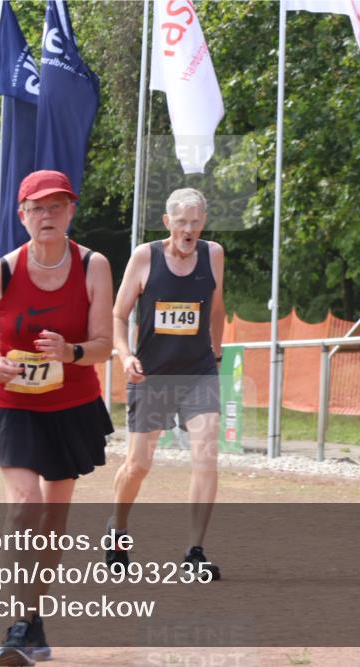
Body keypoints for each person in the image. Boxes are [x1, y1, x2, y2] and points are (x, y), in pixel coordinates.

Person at [0, 170, 113, 666]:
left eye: (57, 206)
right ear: (22, 217)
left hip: (71, 406)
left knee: (52, 520)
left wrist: (72, 350)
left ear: (71, 212)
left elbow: (104, 346)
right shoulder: (3, 270)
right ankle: (18, 625)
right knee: (23, 506)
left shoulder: (94, 265)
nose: (47, 215)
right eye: (37, 208)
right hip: (13, 402)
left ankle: (34, 618)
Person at [108, 187, 225, 580]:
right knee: (139, 465)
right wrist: (126, 356)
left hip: (198, 371)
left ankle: (194, 551)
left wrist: (218, 352)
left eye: (195, 222)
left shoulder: (214, 255)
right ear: (167, 222)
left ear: (203, 223)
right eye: (181, 222)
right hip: (152, 373)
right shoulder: (145, 257)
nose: (188, 230)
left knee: (206, 457)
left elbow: (217, 305)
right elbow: (118, 315)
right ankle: (118, 530)